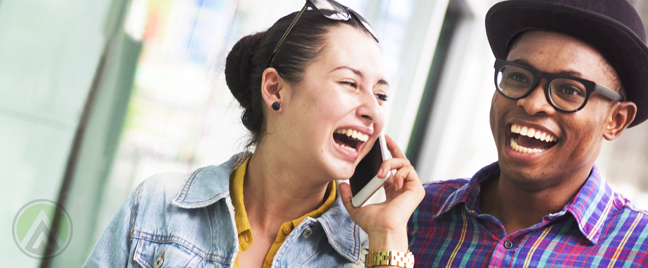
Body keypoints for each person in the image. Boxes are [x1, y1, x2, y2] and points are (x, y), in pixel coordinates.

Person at [83, 0, 424, 267]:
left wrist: (388, 235)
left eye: (380, 95)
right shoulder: (160, 204)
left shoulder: (370, 253)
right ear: (275, 89)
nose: (374, 111)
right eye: (350, 83)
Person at [408, 0, 648, 267]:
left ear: (616, 120)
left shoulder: (640, 249)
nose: (532, 104)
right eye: (518, 76)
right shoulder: (412, 213)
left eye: (569, 90)